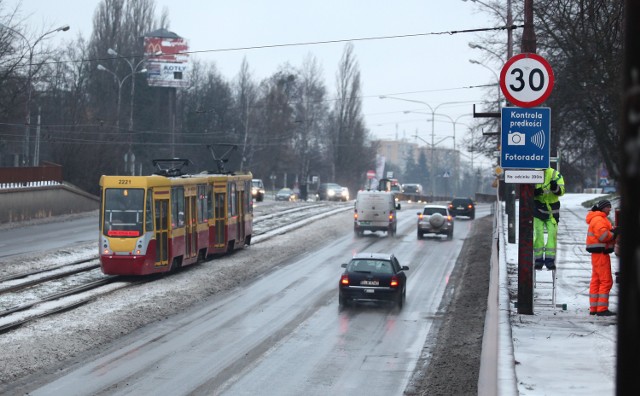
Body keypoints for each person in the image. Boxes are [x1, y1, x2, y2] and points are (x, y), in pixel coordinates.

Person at [585, 199, 618, 316]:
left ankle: (594, 308)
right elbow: (603, 236)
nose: (610, 209)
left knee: (596, 281)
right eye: (608, 207)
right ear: (603, 208)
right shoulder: (599, 219)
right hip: (601, 254)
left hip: (597, 254)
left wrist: (612, 231)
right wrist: (614, 233)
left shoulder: (599, 218)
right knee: (606, 281)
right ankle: (602, 309)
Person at [533, 167, 565, 270]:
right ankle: (538, 261)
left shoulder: (555, 174)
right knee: (538, 234)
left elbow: (562, 191)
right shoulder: (533, 173)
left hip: (552, 211)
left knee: (552, 235)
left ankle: (549, 260)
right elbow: (526, 190)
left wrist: (555, 188)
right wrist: (535, 192)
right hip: (538, 209)